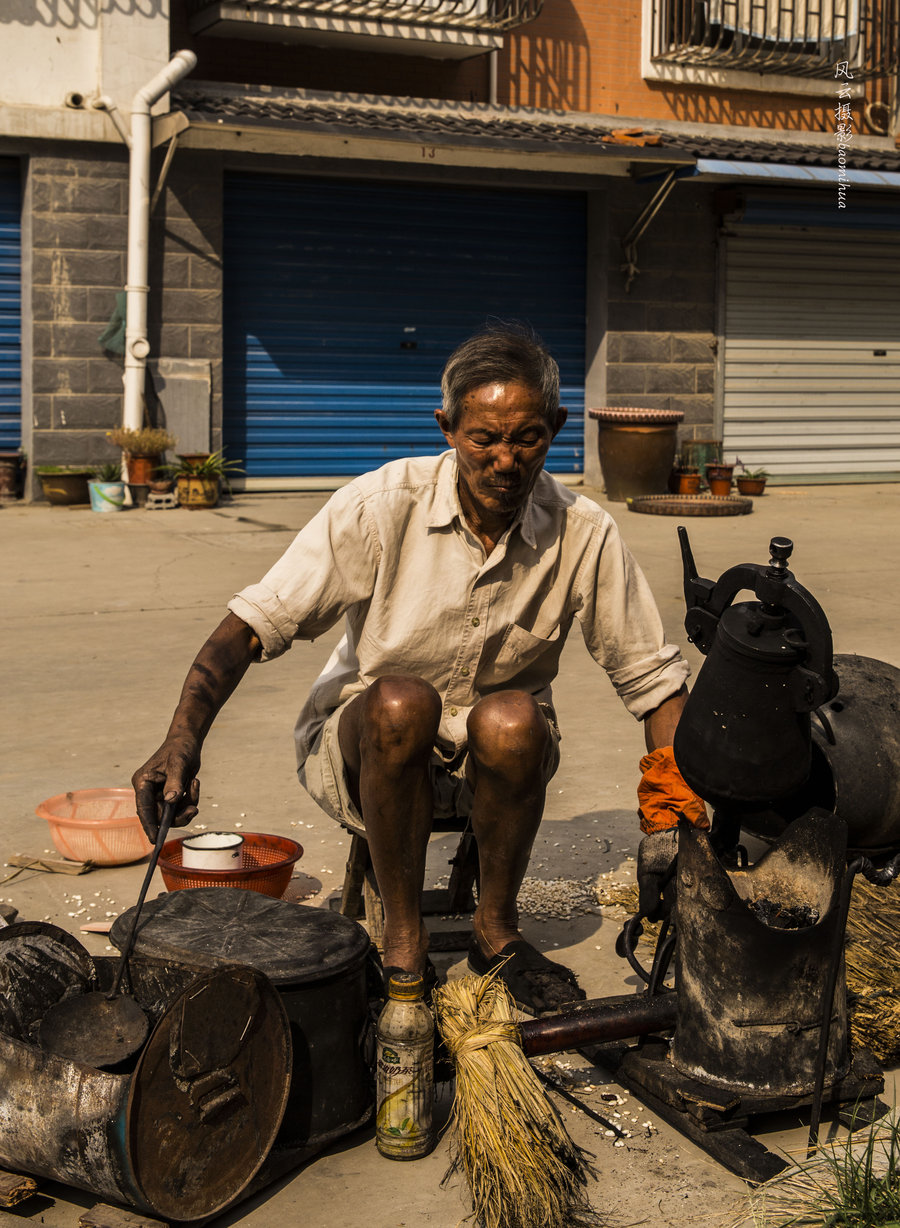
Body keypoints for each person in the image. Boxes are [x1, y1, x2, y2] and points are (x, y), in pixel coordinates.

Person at [133, 325, 704, 1016]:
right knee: (401, 701)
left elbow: (652, 679)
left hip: (500, 760)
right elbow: (249, 629)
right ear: (447, 428)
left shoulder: (583, 530)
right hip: (369, 744)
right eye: (482, 439)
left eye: (526, 438)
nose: (504, 461)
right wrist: (181, 739)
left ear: (554, 428)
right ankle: (403, 941)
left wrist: (675, 818)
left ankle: (496, 931)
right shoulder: (381, 505)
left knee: (515, 715)